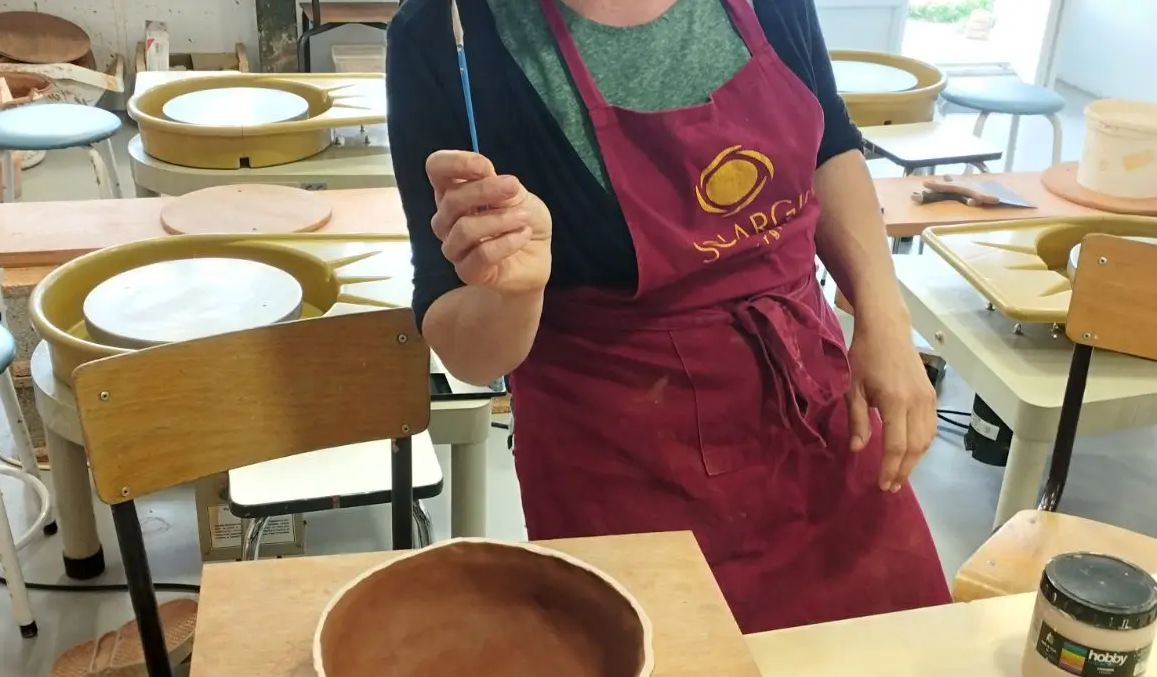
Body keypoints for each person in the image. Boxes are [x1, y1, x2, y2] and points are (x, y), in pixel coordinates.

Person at [386, 0, 952, 632]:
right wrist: (513, 293)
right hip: (621, 457)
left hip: (811, 402)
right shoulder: (446, 33)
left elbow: (831, 147)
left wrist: (884, 318)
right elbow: (462, 342)